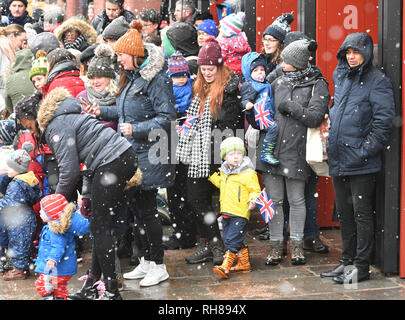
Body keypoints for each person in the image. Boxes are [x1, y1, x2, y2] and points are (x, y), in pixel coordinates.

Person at [87, 21, 176, 288]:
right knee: (138, 209)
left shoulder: (156, 79)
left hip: (151, 154)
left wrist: (135, 129)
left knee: (148, 212)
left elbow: (167, 118)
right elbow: (128, 112)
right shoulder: (134, 76)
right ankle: (147, 261)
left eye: (122, 55)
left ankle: (158, 265)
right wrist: (101, 111)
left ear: (135, 55)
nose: (118, 59)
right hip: (134, 154)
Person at [37, 83, 139, 300]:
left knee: (100, 227)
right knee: (99, 224)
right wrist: (87, 195)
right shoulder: (71, 114)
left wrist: (55, 203)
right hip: (120, 157)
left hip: (111, 162)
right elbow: (85, 164)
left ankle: (111, 291)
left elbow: (70, 170)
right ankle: (92, 285)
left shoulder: (56, 126)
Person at [246, 39, 330, 266]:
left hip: (297, 151)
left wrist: (291, 107)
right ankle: (275, 247)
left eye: (287, 61)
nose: (282, 63)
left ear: (298, 63)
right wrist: (252, 113)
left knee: (296, 200)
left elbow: (314, 117)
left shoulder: (318, 84)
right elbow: (261, 113)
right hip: (270, 150)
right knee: (274, 201)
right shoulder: (277, 82)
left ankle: (297, 247)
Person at [321, 33, 395, 284]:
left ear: (366, 53)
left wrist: (363, 151)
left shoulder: (377, 81)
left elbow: (383, 123)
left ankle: (361, 267)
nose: (351, 57)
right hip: (340, 158)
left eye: (356, 52)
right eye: (347, 53)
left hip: (361, 163)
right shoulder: (341, 76)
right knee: (344, 214)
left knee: (362, 215)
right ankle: (347, 262)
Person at [176, 36, 244, 265]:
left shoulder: (229, 90)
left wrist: (211, 139)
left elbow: (231, 127)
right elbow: (193, 118)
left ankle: (218, 246)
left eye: (210, 68)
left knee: (221, 204)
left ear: (219, 66)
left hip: (218, 156)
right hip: (198, 155)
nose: (206, 73)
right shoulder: (200, 89)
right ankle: (208, 243)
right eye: (203, 69)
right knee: (196, 200)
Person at [209, 137, 261, 279]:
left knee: (232, 239)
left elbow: (255, 190)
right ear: (225, 157)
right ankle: (244, 264)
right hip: (226, 211)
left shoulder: (248, 172)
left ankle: (226, 266)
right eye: (232, 154)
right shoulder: (224, 172)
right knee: (229, 238)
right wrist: (211, 175)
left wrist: (253, 200)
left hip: (240, 212)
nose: (236, 157)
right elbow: (221, 184)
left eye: (239, 153)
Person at [164, 51, 195, 250]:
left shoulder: (195, 91)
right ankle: (181, 232)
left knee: (188, 192)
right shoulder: (166, 93)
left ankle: (189, 233)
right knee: (174, 192)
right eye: (176, 75)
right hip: (170, 145)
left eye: (183, 74)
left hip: (190, 146)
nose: (181, 79)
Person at [34, 194, 89, 300]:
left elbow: (58, 246)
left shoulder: (56, 229)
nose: (40, 212)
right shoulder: (58, 224)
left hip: (56, 268)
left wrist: (52, 259)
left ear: (52, 215)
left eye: (42, 210)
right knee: (59, 289)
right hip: (63, 268)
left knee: (42, 284)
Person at [0, 142, 41, 280]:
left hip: (20, 220)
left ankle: (20, 271)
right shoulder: (27, 180)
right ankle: (21, 267)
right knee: (22, 244)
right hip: (25, 216)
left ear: (18, 169)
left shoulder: (16, 185)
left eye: (10, 167)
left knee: (18, 244)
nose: (7, 169)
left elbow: (9, 203)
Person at [240, 51, 278, 165]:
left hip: (267, 113)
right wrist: (247, 104)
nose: (260, 73)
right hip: (259, 115)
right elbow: (244, 99)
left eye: (262, 70)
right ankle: (266, 153)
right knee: (273, 128)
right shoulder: (250, 85)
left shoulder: (265, 84)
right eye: (255, 70)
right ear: (249, 73)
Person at [0, 24, 27, 113]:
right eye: (22, 41)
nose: (23, 45)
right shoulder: (2, 50)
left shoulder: (15, 52)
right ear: (12, 37)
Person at [217, 12, 251, 77]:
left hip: (228, 71)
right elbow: (249, 54)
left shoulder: (224, 43)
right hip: (243, 70)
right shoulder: (243, 40)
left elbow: (220, 58)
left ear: (227, 30)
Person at [4, 48, 35, 115]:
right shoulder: (38, 75)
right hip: (39, 117)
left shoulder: (10, 79)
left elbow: (8, 103)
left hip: (20, 118)